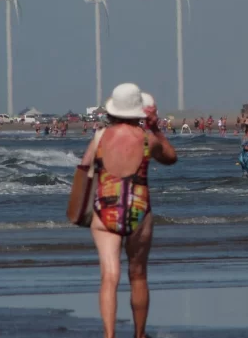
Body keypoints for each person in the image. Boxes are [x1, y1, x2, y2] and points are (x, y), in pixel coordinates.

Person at [81, 83, 177, 338]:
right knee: (138, 274)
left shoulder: (100, 137)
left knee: (109, 275)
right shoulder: (147, 139)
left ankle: (110, 334)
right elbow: (170, 157)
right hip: (139, 209)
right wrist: (155, 127)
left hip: (105, 211)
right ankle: (139, 334)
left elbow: (84, 167)